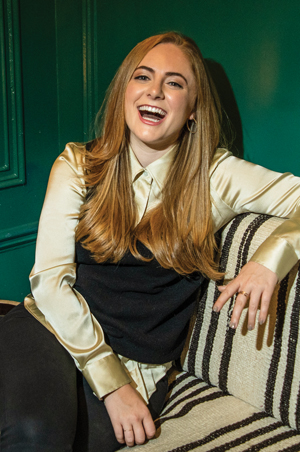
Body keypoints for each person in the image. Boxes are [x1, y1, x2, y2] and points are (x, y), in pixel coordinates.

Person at [1, 31, 300, 452]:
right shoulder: (78, 164)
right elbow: (50, 282)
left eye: (175, 83)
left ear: (193, 109)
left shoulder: (216, 176)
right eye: (142, 77)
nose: (155, 91)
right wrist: (111, 385)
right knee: (34, 432)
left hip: (140, 365)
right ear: (126, 91)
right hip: (50, 329)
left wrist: (271, 259)